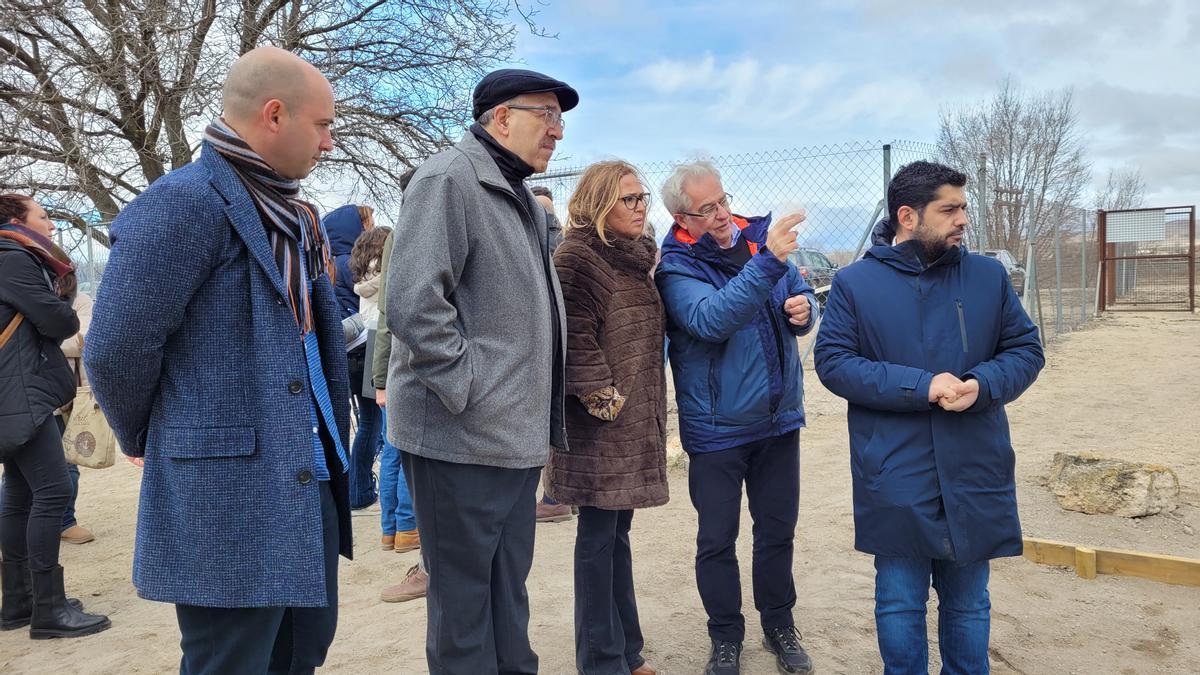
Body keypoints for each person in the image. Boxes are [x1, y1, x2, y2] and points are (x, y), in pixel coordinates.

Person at [85, 46, 352, 673]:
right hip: (226, 490)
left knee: (299, 654)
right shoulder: (184, 201)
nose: (331, 142)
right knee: (230, 662)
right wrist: (145, 433)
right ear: (275, 115)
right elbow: (116, 347)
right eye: (324, 125)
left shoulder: (294, 213)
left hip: (305, 475)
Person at [814, 161, 1044, 674]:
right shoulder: (855, 284)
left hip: (974, 459)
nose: (963, 218)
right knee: (899, 602)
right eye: (950, 209)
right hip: (894, 467)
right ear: (908, 216)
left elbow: (1026, 349)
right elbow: (833, 364)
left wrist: (983, 384)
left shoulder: (987, 275)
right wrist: (922, 386)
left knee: (969, 602)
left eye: (964, 207)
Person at [384, 68, 577, 674]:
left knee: (507, 599)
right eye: (545, 115)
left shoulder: (516, 191)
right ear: (501, 118)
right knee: (464, 614)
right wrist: (468, 390)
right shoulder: (449, 179)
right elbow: (415, 303)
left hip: (512, 439)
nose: (557, 132)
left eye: (561, 119)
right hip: (458, 438)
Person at [655, 161, 817, 675]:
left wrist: (804, 310)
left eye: (723, 200)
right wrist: (768, 261)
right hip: (717, 429)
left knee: (777, 531)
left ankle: (779, 625)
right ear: (684, 217)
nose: (723, 213)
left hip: (777, 420)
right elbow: (711, 319)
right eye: (708, 208)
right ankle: (725, 636)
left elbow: (799, 291)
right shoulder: (676, 266)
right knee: (717, 539)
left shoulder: (758, 242)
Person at [545, 160, 666, 675]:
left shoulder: (635, 257)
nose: (641, 207)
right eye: (629, 199)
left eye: (643, 198)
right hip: (601, 430)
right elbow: (574, 338)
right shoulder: (578, 257)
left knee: (616, 538)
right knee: (596, 542)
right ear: (598, 204)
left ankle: (626, 652)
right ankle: (600, 661)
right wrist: (604, 399)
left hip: (635, 424)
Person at [0, 194, 109, 638]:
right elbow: (61, 322)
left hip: (11, 392)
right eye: (43, 217)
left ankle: (19, 602)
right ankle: (49, 610)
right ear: (15, 221)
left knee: (20, 494)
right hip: (21, 393)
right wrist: (60, 309)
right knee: (53, 490)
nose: (51, 226)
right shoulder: (15, 259)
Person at [324, 203, 380, 510]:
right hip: (363, 344)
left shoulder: (327, 264)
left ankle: (348, 488)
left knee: (347, 422)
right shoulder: (351, 265)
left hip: (340, 351)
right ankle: (359, 490)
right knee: (372, 421)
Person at [529, 184, 573, 524]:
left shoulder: (548, 247)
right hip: (555, 346)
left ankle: (555, 496)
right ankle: (557, 496)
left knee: (549, 424)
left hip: (551, 348)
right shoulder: (563, 244)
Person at [57, 290, 96, 545]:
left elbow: (83, 340)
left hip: (68, 397)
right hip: (33, 397)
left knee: (69, 463)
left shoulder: (80, 300)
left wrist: (43, 340)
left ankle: (65, 521)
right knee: (19, 473)